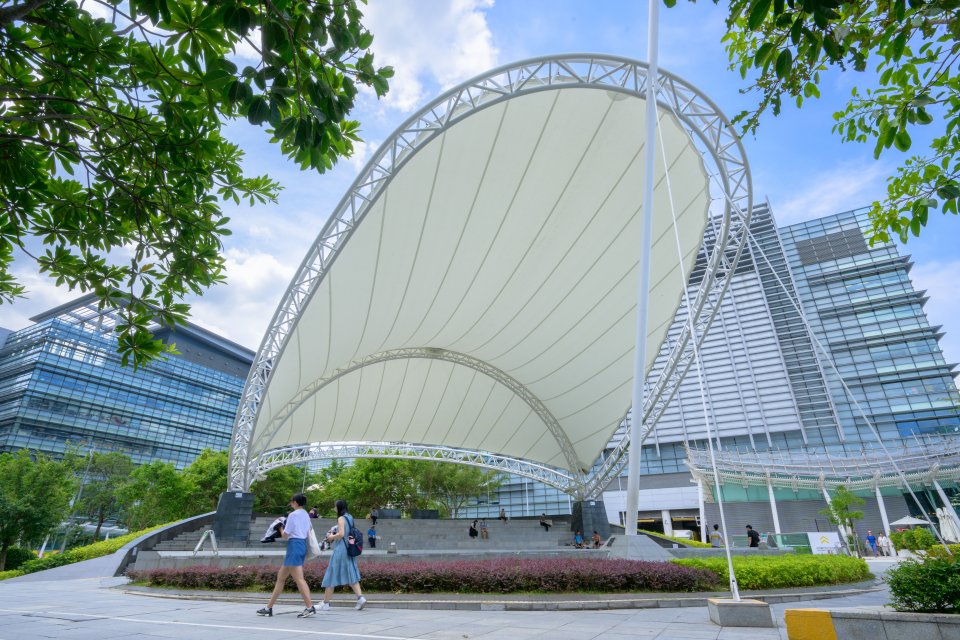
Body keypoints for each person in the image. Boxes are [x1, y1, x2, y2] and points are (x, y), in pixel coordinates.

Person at [257, 493, 315, 618]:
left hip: (294, 545)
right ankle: (269, 607)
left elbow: (285, 535)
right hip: (300, 545)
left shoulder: (293, 515)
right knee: (281, 578)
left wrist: (279, 527)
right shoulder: (306, 514)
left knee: (299, 579)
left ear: (295, 502)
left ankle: (310, 607)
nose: (291, 503)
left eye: (291, 501)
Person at [319, 499, 366, 611]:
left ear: (339, 507)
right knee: (351, 572)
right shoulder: (349, 516)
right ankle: (360, 598)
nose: (334, 508)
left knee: (331, 573)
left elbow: (341, 534)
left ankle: (326, 603)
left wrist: (331, 537)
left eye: (335, 506)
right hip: (349, 548)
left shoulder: (341, 518)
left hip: (341, 549)